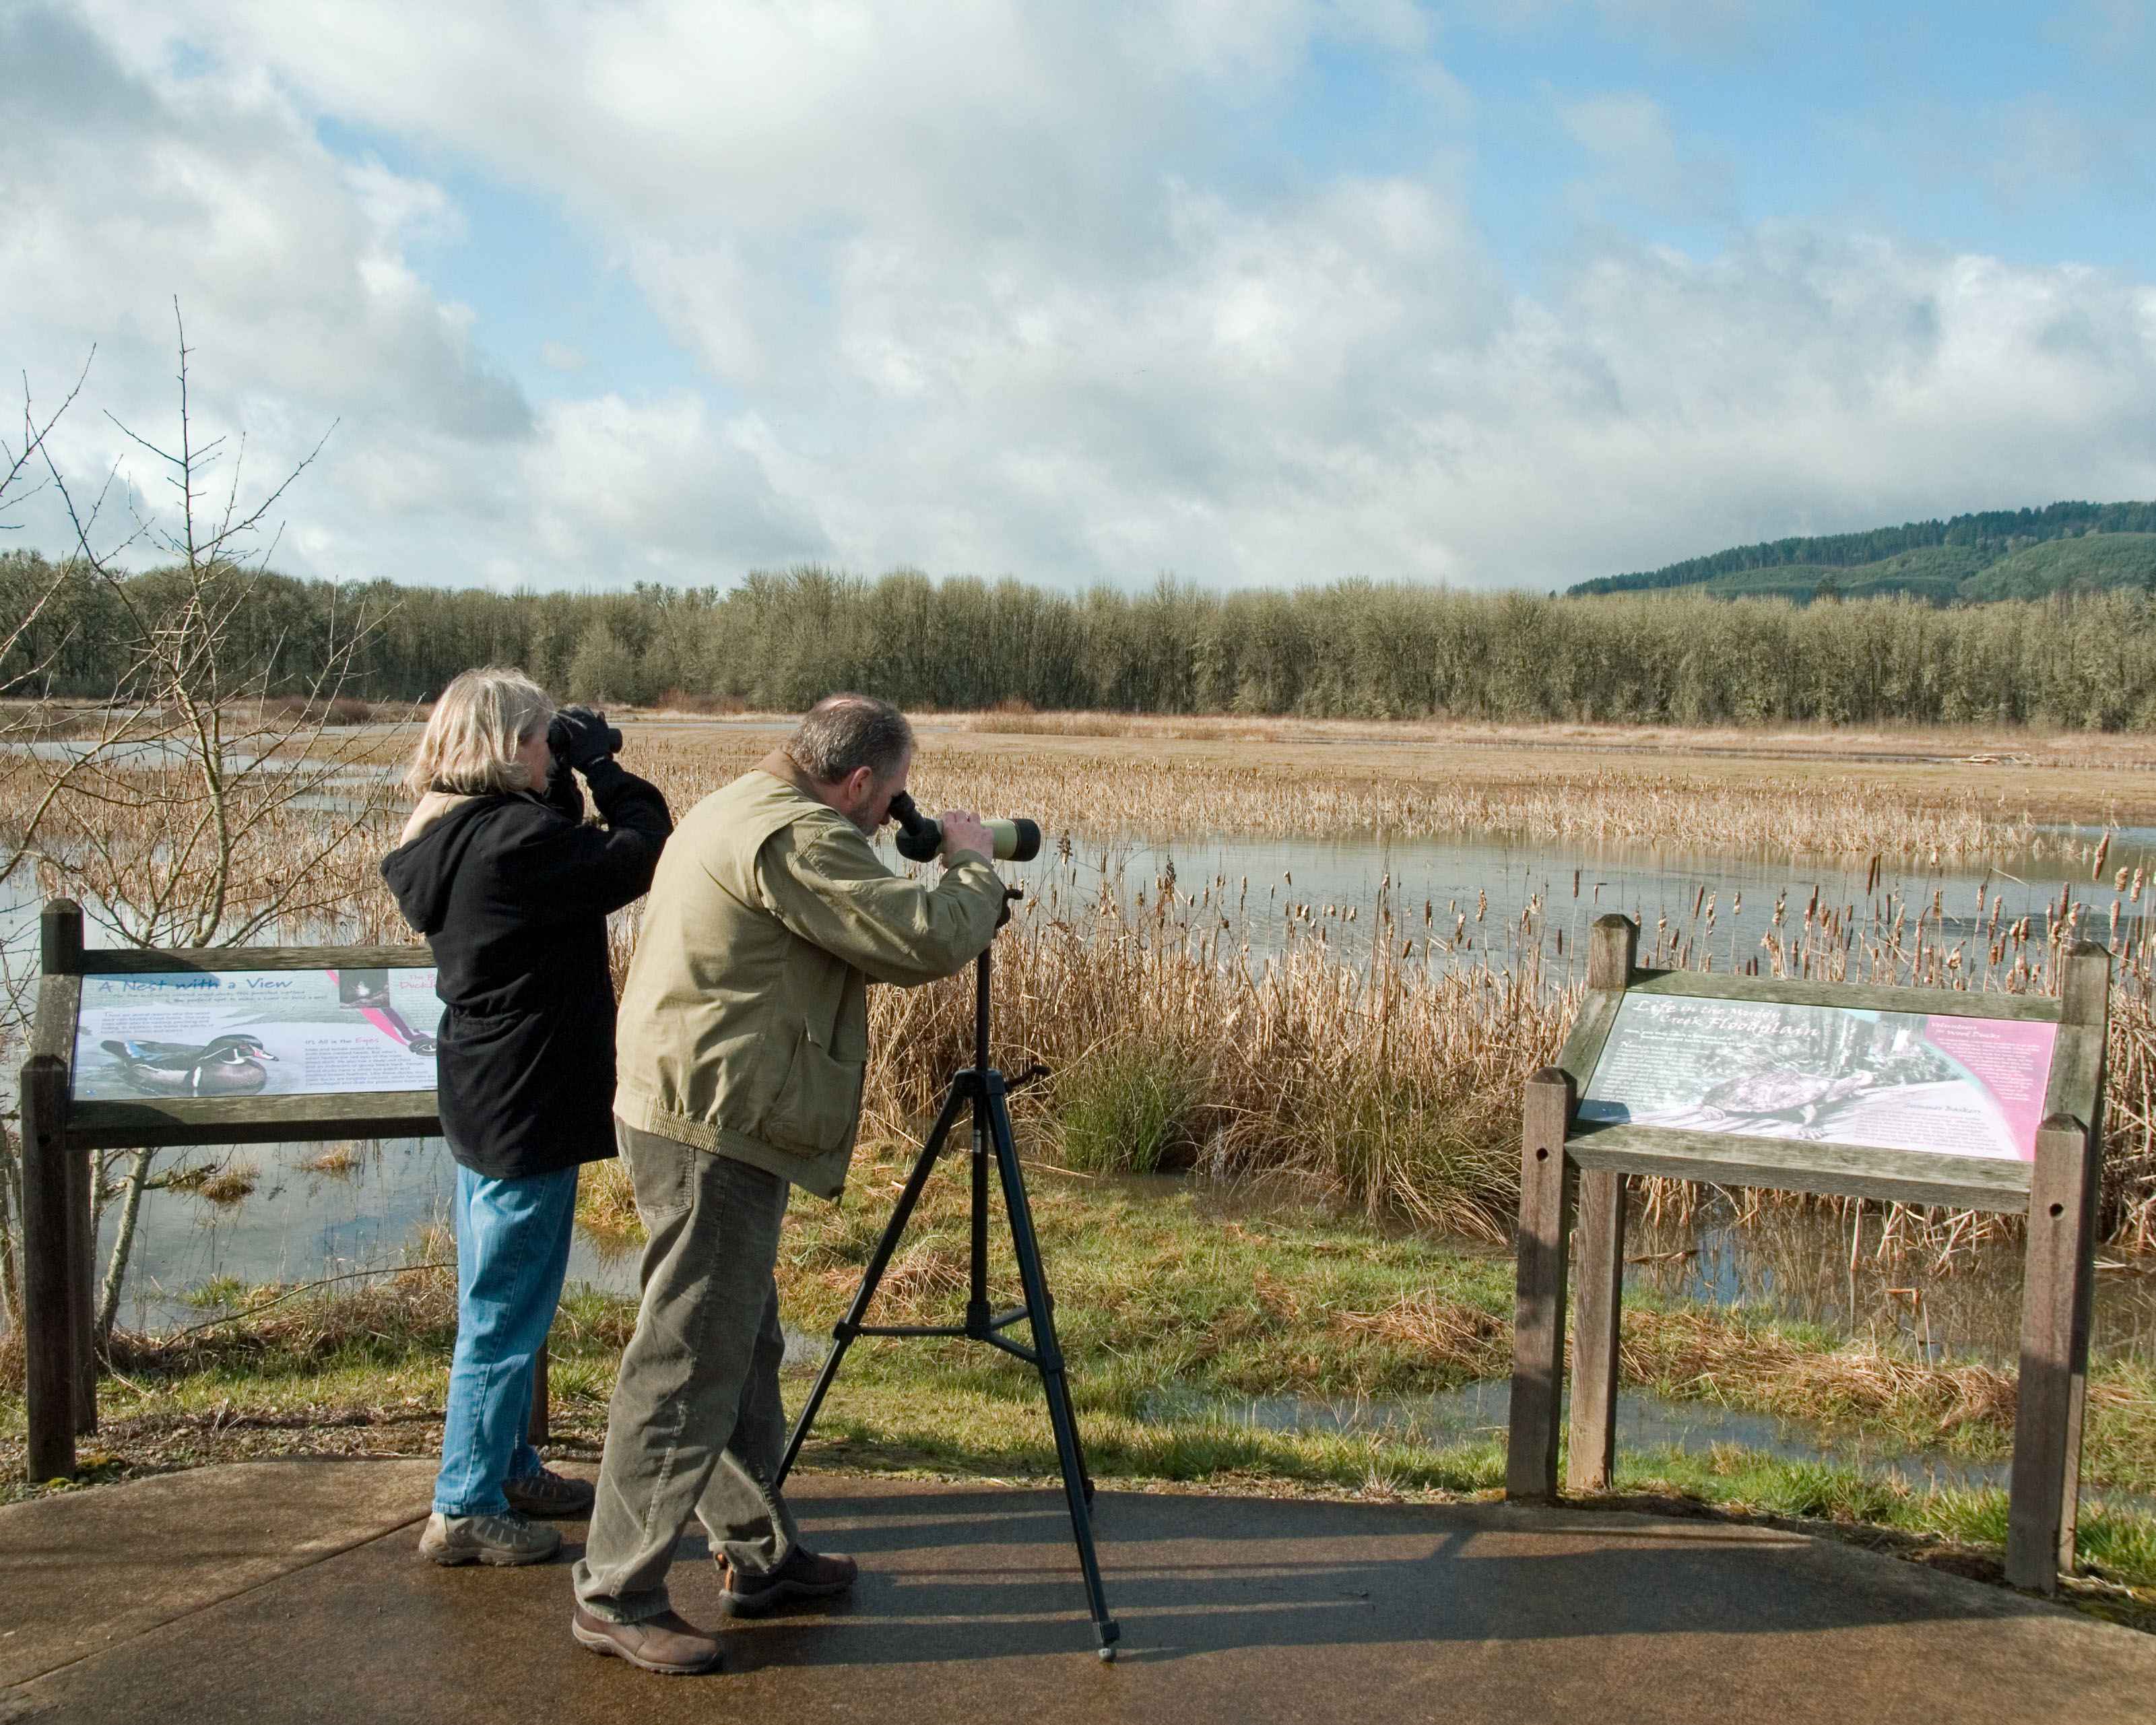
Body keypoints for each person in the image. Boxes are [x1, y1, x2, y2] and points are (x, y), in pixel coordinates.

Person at [570, 693, 1005, 1676]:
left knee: (737, 1337)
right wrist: (968, 862)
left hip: (689, 1098)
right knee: (685, 1354)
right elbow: (922, 936)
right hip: (711, 1120)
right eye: (890, 797)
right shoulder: (794, 837)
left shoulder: (743, 799)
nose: (893, 814)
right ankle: (614, 1589)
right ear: (856, 781)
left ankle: (759, 1553)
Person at [382, 667, 672, 1567]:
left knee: (495, 1292)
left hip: (484, 1089)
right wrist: (605, 771)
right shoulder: (514, 842)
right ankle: (463, 1502)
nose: (557, 751)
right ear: (510, 746)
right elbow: (638, 847)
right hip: (528, 1097)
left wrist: (564, 769)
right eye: (545, 737)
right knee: (505, 1308)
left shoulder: (449, 832)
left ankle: (505, 1462)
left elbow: (573, 848)